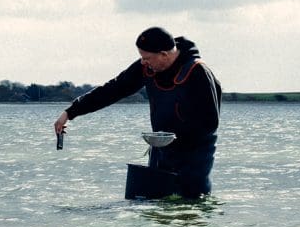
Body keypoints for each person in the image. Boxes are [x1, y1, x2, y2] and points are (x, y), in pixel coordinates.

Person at [54, 27, 221, 197]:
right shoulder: (147, 67)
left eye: (146, 58)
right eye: (141, 57)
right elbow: (114, 89)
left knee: (190, 205)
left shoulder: (198, 72)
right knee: (156, 206)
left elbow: (209, 123)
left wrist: (174, 137)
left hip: (194, 155)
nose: (143, 62)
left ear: (164, 54)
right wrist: (71, 112)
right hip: (161, 148)